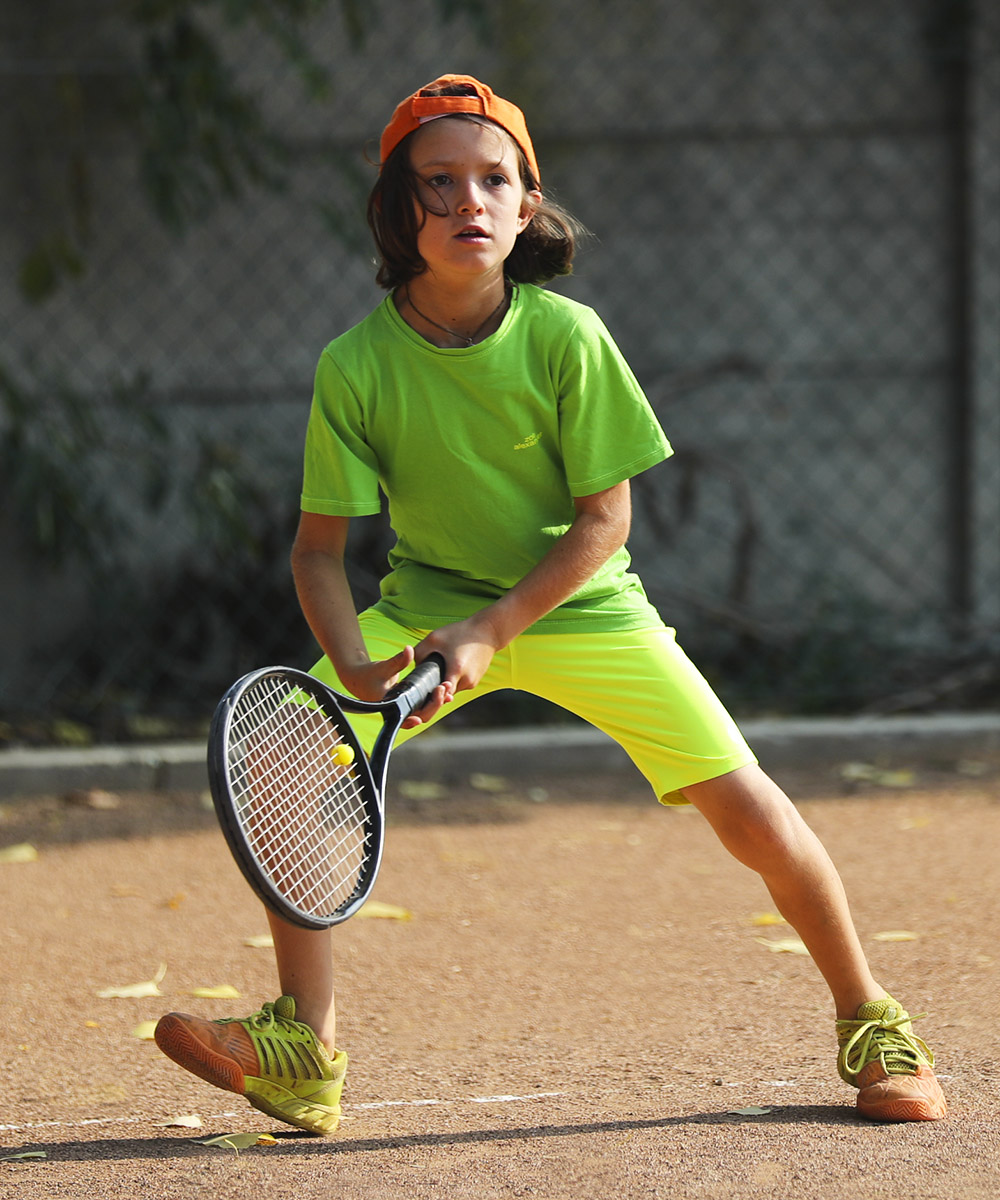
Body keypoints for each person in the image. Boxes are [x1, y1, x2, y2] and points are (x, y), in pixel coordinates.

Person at [154, 74, 947, 1133]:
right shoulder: (353, 366)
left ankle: (872, 1019)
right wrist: (350, 662)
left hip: (586, 610)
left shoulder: (568, 337)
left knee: (752, 812)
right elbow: (317, 553)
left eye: (494, 181)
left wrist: (493, 629)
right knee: (288, 752)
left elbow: (604, 522)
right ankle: (306, 1045)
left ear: (528, 207)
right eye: (438, 183)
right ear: (396, 209)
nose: (467, 201)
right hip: (427, 612)